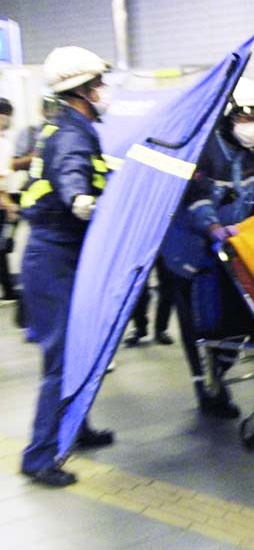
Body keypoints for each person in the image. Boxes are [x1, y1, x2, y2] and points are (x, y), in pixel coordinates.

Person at [19, 46, 116, 487]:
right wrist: (81, 198)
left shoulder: (70, 125)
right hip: (53, 258)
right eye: (98, 85)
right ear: (81, 91)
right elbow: (72, 171)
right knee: (60, 358)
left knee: (78, 350)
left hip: (63, 256)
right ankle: (38, 456)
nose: (104, 92)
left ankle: (75, 425)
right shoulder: (71, 134)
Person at [161, 77, 254, 419]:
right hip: (190, 252)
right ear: (228, 115)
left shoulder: (251, 152)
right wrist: (214, 228)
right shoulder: (204, 150)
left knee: (236, 319)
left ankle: (218, 373)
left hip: (230, 248)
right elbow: (197, 201)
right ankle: (206, 388)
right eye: (245, 116)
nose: (252, 125)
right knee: (201, 323)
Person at [123, 256, 174, 346]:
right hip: (143, 245)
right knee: (139, 285)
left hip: (165, 246)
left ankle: (161, 329)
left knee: (168, 286)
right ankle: (139, 327)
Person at [0, 97, 18, 300]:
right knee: (3, 247)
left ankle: (7, 288)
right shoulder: (3, 143)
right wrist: (8, 204)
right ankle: (8, 289)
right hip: (3, 201)